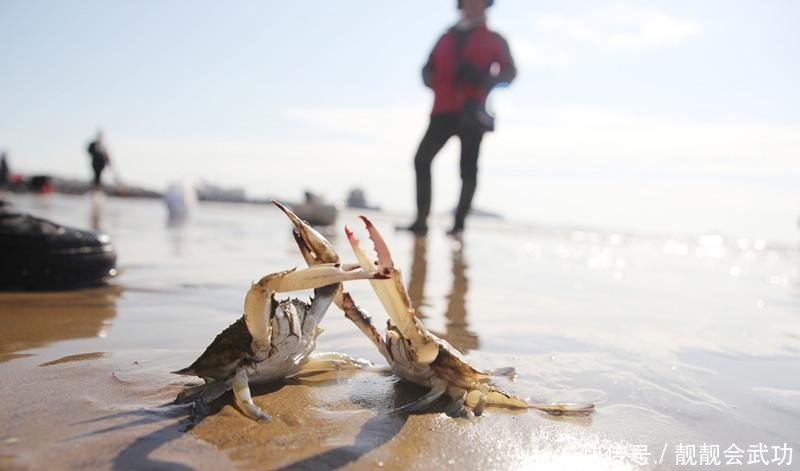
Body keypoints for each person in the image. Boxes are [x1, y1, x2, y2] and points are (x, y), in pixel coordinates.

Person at [399, 0, 516, 236]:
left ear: (486, 6)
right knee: (421, 160)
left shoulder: (495, 39)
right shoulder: (445, 37)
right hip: (442, 110)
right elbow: (427, 66)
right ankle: (421, 220)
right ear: (461, 5)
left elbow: (510, 73)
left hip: (472, 113)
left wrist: (485, 79)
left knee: (467, 170)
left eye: (479, 2)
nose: (473, 6)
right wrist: (428, 77)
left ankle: (459, 225)